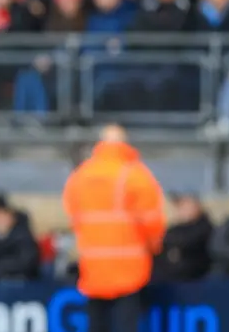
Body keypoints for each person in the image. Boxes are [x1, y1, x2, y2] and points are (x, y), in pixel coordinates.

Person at [62, 124, 166, 332]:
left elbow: (73, 216)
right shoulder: (136, 175)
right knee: (126, 324)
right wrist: (155, 249)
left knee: (96, 323)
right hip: (129, 268)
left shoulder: (82, 175)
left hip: (93, 266)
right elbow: (152, 221)